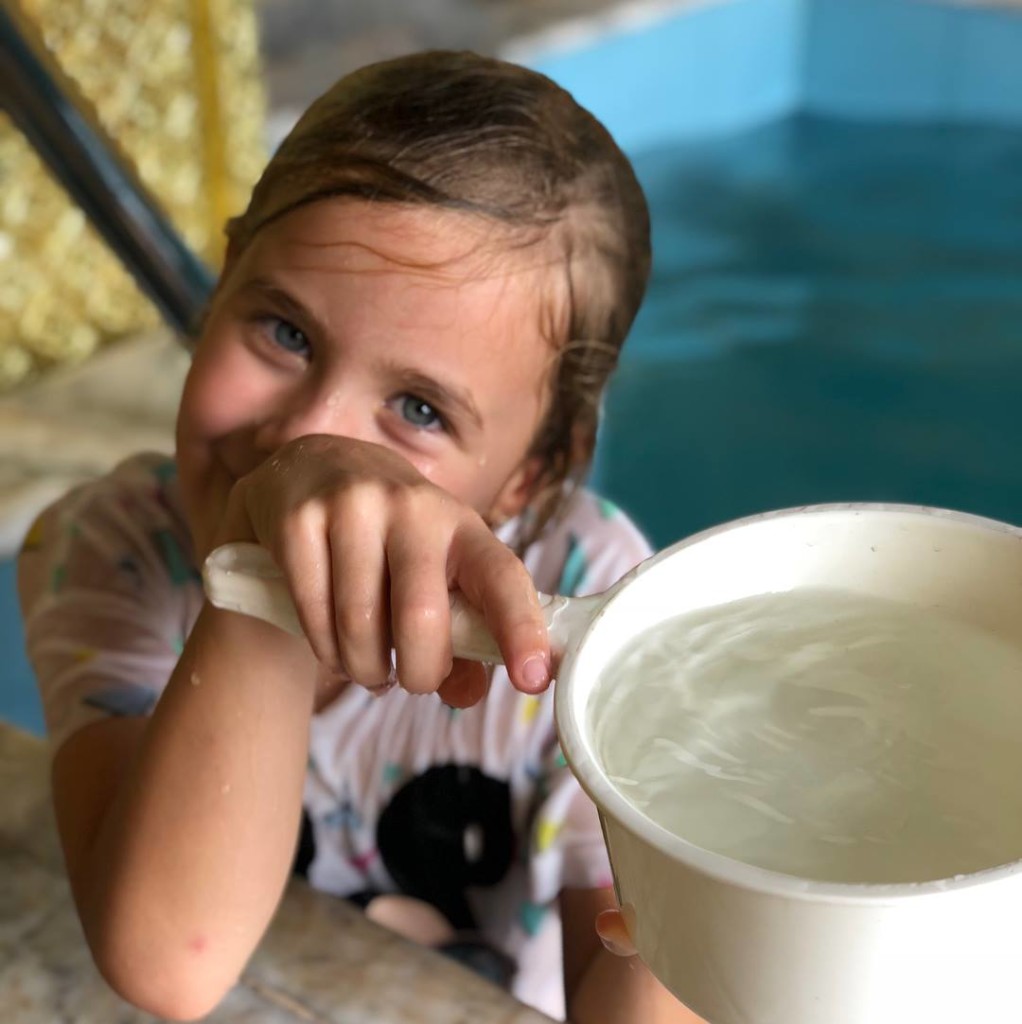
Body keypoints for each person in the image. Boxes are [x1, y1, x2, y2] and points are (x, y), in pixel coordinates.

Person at [18, 50, 702, 1023]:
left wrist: (710, 848)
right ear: (222, 284)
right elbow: (170, 963)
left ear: (531, 475)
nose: (306, 437)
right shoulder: (112, 548)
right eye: (285, 332)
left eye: (419, 408)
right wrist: (264, 565)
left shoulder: (582, 596)